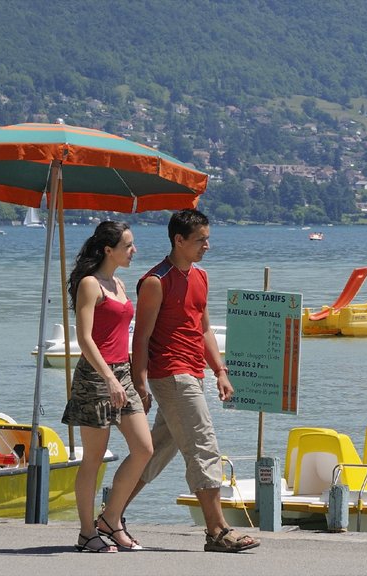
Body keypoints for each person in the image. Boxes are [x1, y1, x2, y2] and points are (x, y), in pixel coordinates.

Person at [127, 208, 259, 553]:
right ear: (179, 240)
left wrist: (220, 371)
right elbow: (140, 338)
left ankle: (111, 514)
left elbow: (202, 330)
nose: (207, 246)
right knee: (204, 445)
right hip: (170, 374)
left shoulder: (200, 277)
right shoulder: (156, 281)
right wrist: (140, 383)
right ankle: (217, 531)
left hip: (193, 373)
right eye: (201, 240)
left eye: (208, 239)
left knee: (155, 451)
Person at [62, 221, 153, 553]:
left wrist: (134, 379)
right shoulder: (90, 285)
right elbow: (84, 339)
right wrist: (109, 378)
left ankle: (111, 519)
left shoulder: (120, 284)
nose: (134, 250)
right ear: (108, 250)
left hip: (123, 374)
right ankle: (87, 533)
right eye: (128, 245)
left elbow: (120, 337)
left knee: (144, 449)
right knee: (94, 458)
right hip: (95, 378)